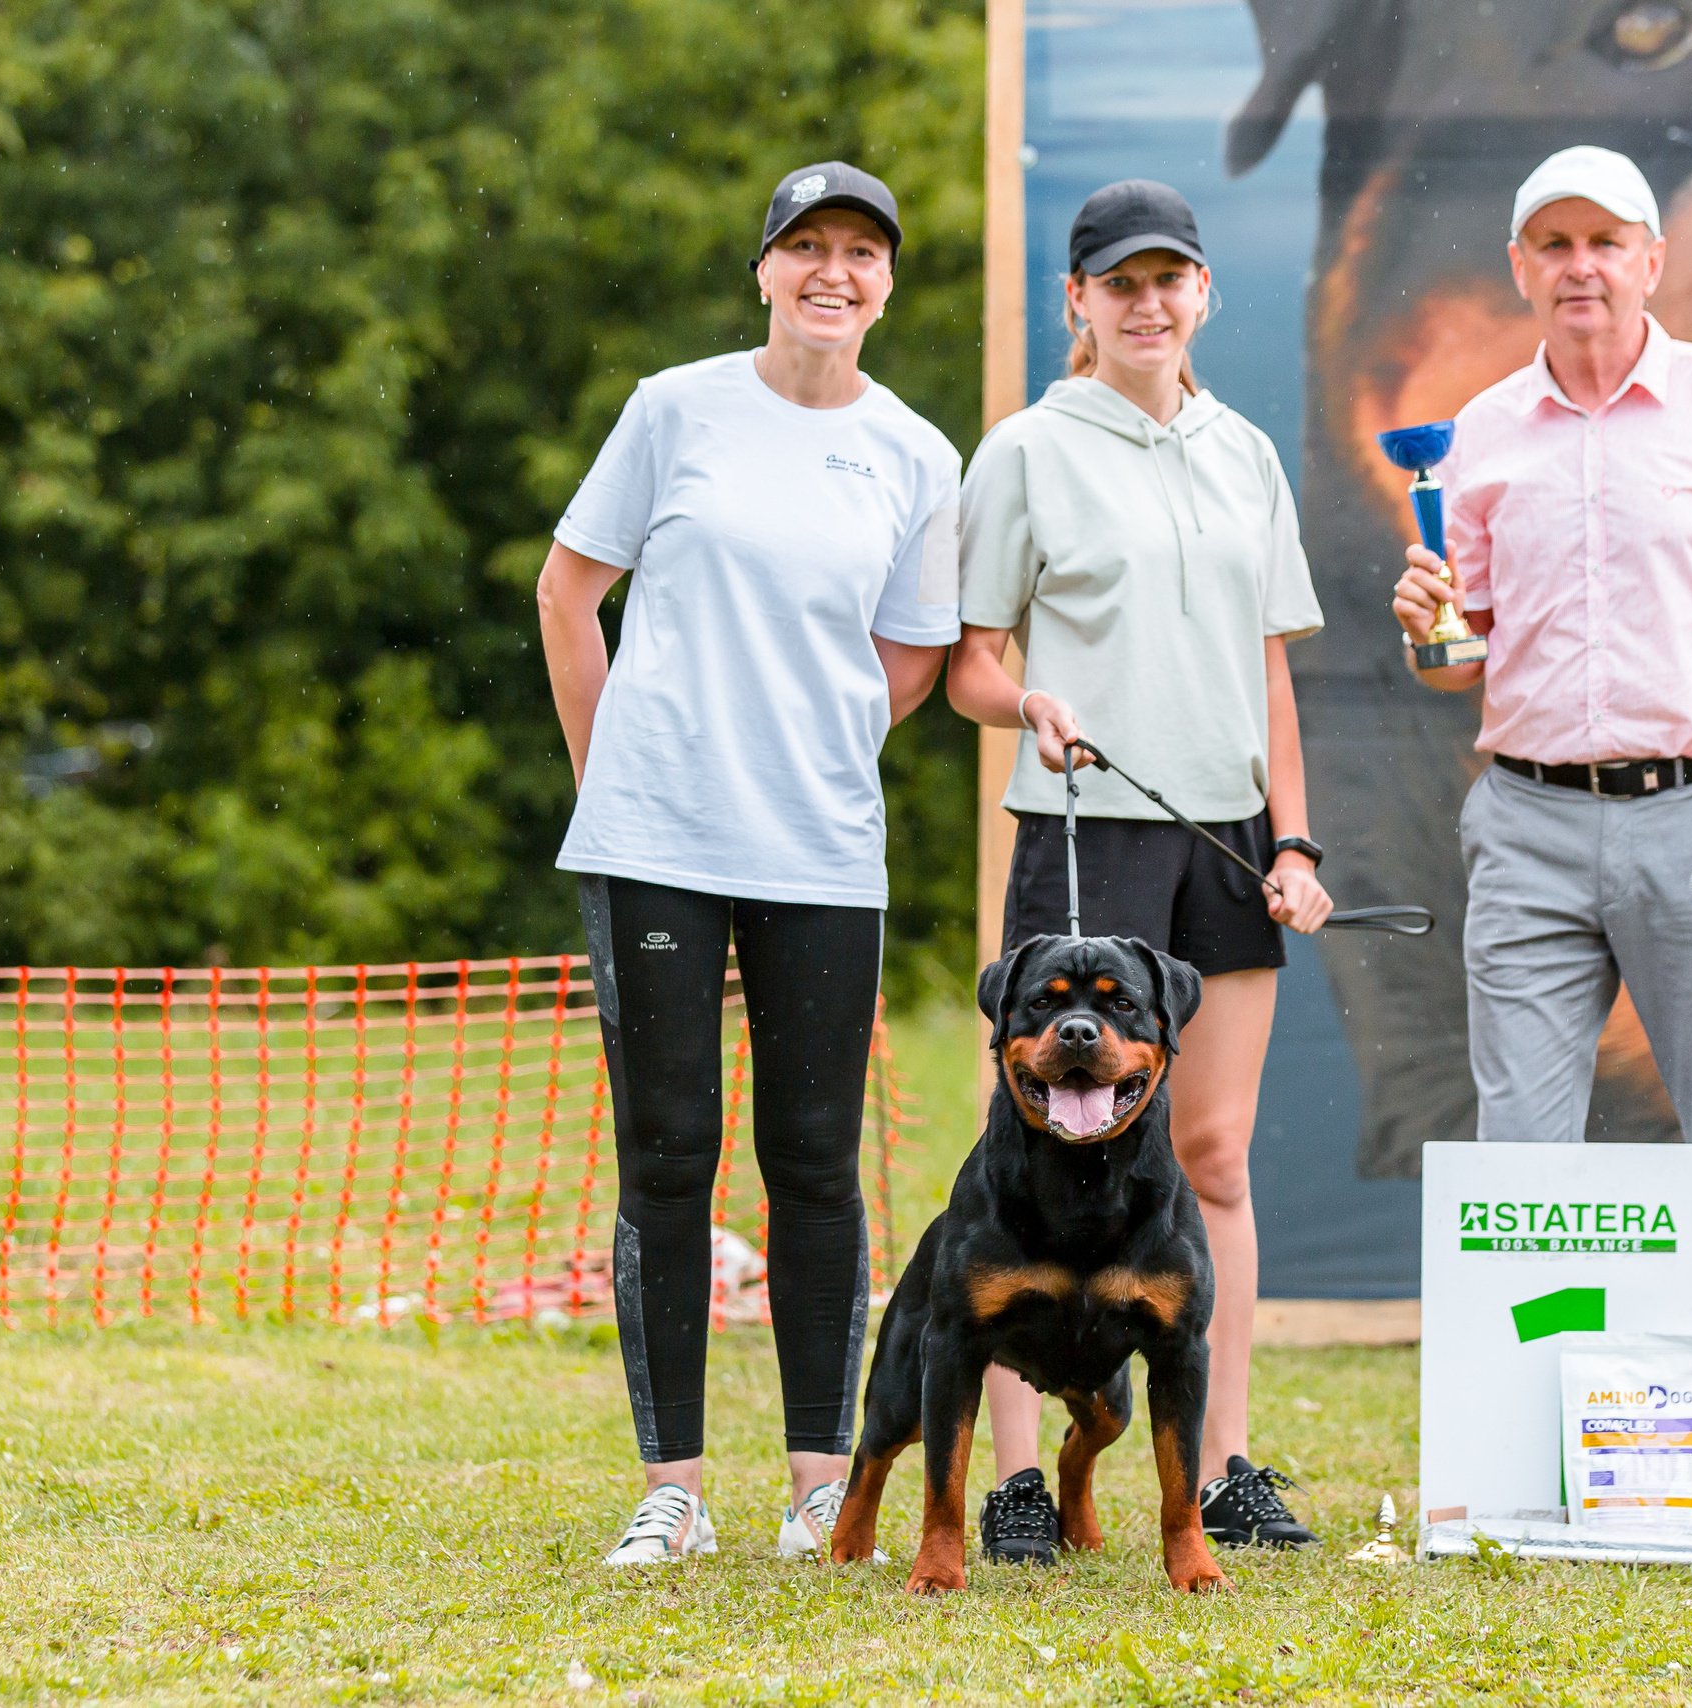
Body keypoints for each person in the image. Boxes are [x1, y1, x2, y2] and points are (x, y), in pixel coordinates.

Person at [1389, 146, 1692, 1494]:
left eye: (1607, 241)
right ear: (1520, 268)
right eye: (1555, 244)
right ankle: (1536, 1471)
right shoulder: (1476, 432)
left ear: (1654, 260)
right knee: (1522, 1176)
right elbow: (1458, 652)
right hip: (1526, 823)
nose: (1581, 266)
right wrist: (1426, 631)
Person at [536, 162, 963, 1565]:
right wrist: (619, 771)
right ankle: (672, 1490)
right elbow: (568, 591)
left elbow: (911, 656)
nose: (832, 273)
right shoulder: (677, 408)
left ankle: (814, 1487)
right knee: (668, 1154)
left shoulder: (914, 453)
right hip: (653, 839)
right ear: (764, 269)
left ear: (886, 283)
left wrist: (809, 737)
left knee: (817, 1161)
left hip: (821, 848)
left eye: (860, 253)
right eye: (806, 249)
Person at [947, 179, 1334, 1559]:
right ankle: (1009, 1485)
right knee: (1032, 1156)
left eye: (1172, 279)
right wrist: (1027, 705)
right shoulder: (1027, 451)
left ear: (1204, 293)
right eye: (1122, 284)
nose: (1149, 303)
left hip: (1226, 841)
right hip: (1081, 828)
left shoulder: (1245, 452)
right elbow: (969, 666)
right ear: (1080, 304)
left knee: (1214, 1153)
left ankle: (1221, 1466)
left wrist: (1293, 841)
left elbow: (1272, 669)